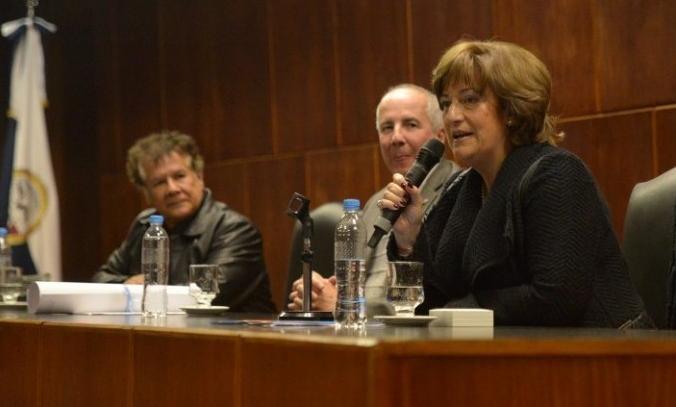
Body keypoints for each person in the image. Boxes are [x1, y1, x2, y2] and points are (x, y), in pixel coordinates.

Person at [380, 40, 653, 328]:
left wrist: (466, 309)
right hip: (512, 357)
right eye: (446, 104)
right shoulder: (462, 189)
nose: (452, 116)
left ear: (511, 110)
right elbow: (427, 305)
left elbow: (556, 300)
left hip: (604, 360)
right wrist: (409, 241)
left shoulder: (556, 174)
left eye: (469, 99)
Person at [285, 84, 460, 314]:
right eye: (387, 127)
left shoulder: (457, 190)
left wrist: (345, 305)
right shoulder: (377, 201)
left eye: (410, 124)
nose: (396, 137)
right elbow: (355, 289)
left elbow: (433, 299)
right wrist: (322, 292)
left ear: (439, 137)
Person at [92, 130, 276, 313]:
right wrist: (128, 283)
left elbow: (205, 296)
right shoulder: (144, 226)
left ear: (199, 176)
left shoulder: (235, 229)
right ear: (146, 193)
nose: (172, 189)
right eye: (159, 182)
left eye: (179, 176)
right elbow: (100, 279)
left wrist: (147, 288)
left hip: (232, 337)